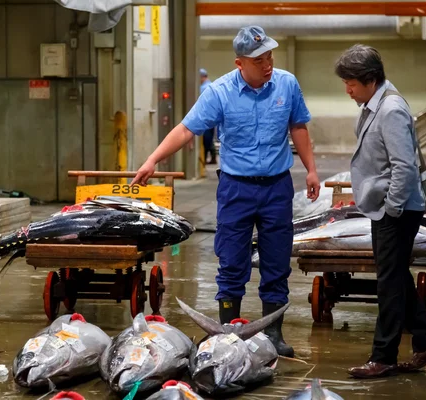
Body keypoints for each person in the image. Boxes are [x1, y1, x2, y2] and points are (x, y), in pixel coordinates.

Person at [131, 25, 320, 357]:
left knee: (277, 261)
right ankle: (229, 333)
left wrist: (312, 170)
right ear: (239, 63)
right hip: (236, 189)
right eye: (259, 59)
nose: (267, 63)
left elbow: (298, 126)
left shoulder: (287, 84)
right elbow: (186, 129)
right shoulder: (218, 92)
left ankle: (273, 334)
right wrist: (152, 160)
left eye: (270, 56)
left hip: (277, 187)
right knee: (232, 260)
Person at [334, 44, 426, 379]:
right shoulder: (377, 102)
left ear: (369, 80)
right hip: (388, 206)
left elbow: (404, 167)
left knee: (389, 281)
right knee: (397, 275)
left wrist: (391, 210)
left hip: (396, 210)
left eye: (351, 83)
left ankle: (383, 356)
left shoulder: (391, 109)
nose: (347, 89)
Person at [199, 68, 217, 164]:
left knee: (206, 140)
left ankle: (205, 161)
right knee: (209, 139)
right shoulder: (211, 85)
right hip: (212, 118)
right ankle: (212, 158)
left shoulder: (204, 88)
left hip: (206, 118)